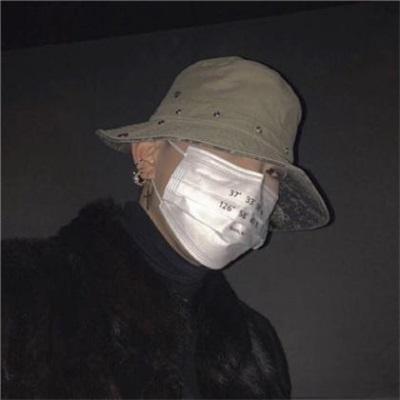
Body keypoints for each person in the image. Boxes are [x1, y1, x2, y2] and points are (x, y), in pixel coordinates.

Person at [1, 56, 331, 399]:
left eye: (272, 171)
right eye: (227, 148)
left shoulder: (255, 345)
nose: (251, 184)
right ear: (149, 157)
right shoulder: (20, 297)